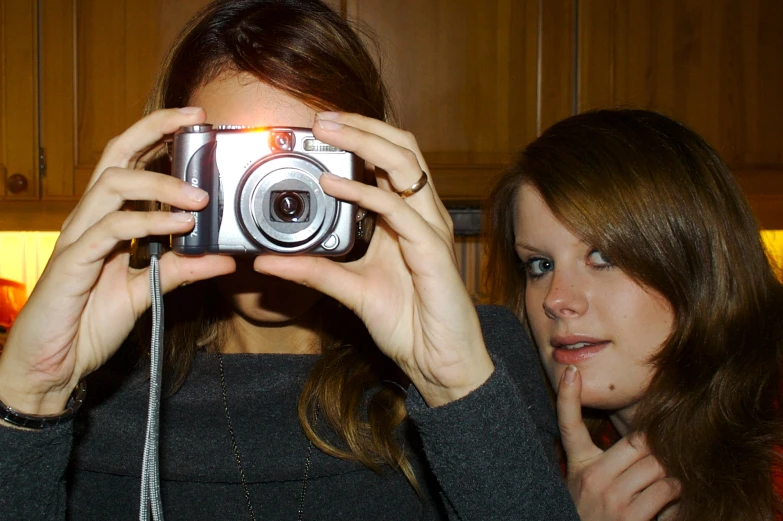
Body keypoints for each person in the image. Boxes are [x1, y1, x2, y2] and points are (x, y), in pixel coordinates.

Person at [0, 1, 580, 520]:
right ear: (173, 172)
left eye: (306, 161)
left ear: (371, 172)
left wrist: (453, 385)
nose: (273, 197)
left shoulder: (481, 361)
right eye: (238, 163)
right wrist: (31, 400)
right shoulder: (101, 385)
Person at [484, 108, 783, 521]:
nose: (556, 299)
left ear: (696, 267)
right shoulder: (523, 463)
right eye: (540, 265)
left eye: (602, 257)